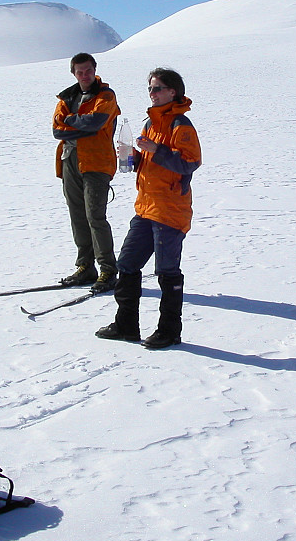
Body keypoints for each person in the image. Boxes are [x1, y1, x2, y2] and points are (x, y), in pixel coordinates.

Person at [96, 68, 201, 349]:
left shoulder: (181, 125)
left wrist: (156, 150)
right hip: (146, 206)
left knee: (167, 271)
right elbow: (147, 161)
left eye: (157, 88)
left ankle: (169, 331)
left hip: (170, 210)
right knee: (127, 264)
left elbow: (189, 163)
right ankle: (126, 325)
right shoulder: (148, 124)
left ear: (173, 92)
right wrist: (133, 157)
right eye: (150, 89)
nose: (152, 94)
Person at [53, 52, 120, 293]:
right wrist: (80, 125)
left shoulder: (106, 96)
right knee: (77, 215)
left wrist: (71, 122)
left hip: (97, 163)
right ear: (74, 73)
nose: (84, 75)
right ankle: (85, 267)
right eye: (79, 71)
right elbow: (57, 131)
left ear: (95, 69)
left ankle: (108, 270)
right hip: (70, 161)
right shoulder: (66, 97)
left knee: (95, 217)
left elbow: (95, 123)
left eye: (88, 70)